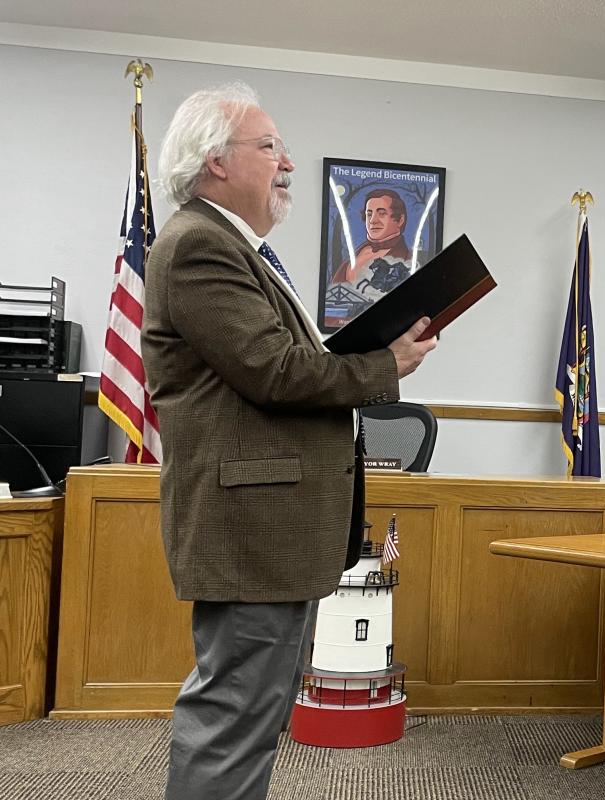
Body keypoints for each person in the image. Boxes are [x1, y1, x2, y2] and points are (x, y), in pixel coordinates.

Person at [142, 82, 436, 800]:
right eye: (270, 146)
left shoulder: (235, 247)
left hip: (272, 531)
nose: (289, 163)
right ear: (216, 160)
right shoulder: (199, 246)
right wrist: (384, 365)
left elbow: (280, 365)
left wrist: (370, 352)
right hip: (252, 530)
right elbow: (274, 372)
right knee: (235, 716)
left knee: (253, 715)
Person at [330, 188, 413, 289]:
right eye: (369, 214)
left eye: (382, 213)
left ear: (400, 220)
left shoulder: (408, 259)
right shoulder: (360, 251)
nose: (372, 221)